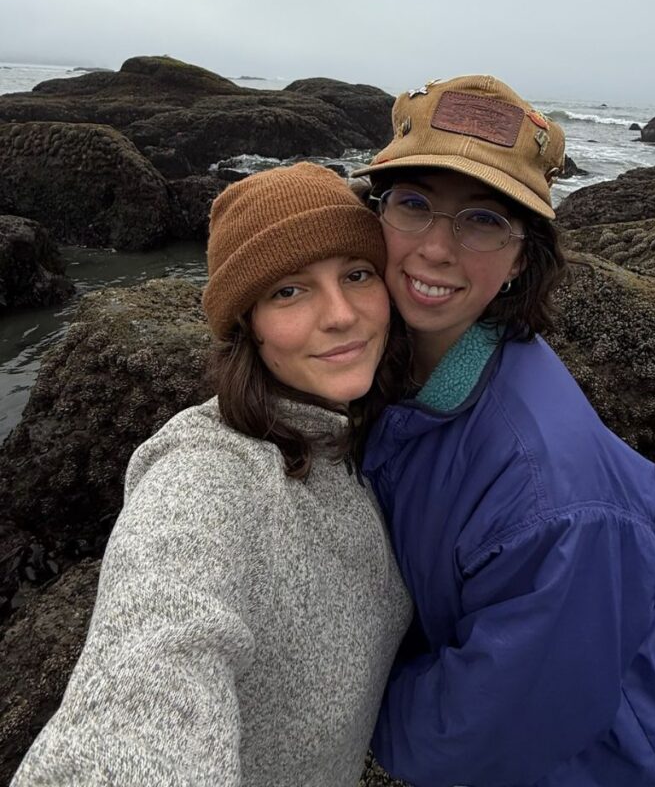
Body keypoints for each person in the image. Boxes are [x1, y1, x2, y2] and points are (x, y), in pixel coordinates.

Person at [355, 76, 655, 787]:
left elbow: (487, 734)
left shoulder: (556, 502)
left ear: (523, 257)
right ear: (376, 211)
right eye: (414, 203)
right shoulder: (390, 363)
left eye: (483, 220)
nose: (435, 249)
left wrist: (341, 711)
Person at [11, 162, 412, 787]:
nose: (340, 314)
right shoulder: (207, 477)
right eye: (288, 291)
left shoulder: (369, 433)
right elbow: (152, 656)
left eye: (357, 274)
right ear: (245, 323)